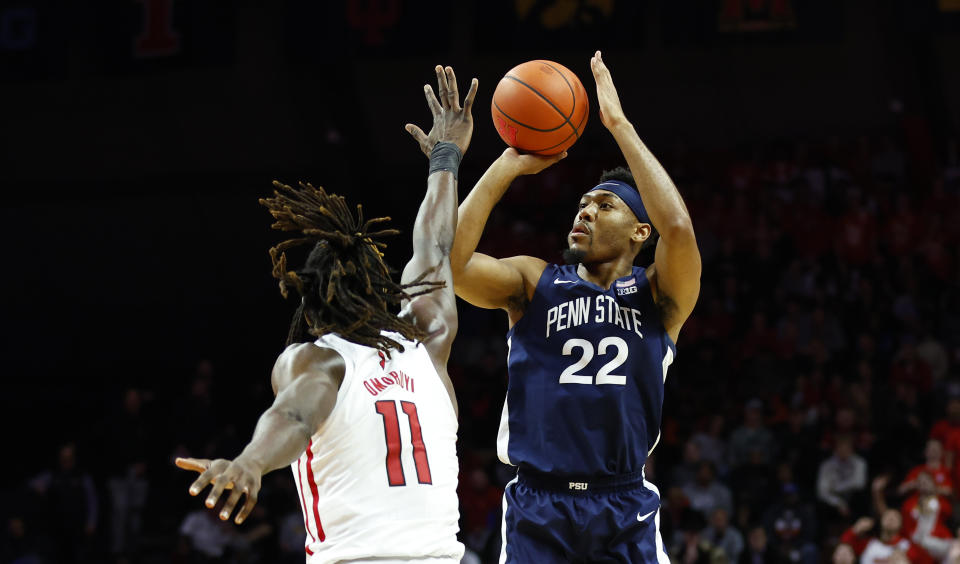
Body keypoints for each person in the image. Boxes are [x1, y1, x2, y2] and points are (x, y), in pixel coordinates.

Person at [175, 64, 478, 563]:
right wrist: (445, 158)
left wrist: (251, 462)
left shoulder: (320, 361)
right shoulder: (430, 340)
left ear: (311, 304)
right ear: (381, 291)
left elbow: (293, 414)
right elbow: (435, 245)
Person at [431, 50, 701, 562]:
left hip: (624, 506)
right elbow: (449, 261)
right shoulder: (535, 282)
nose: (585, 211)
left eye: (605, 205)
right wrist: (505, 166)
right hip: (538, 504)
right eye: (582, 203)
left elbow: (681, 230)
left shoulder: (659, 296)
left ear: (641, 233)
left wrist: (618, 124)